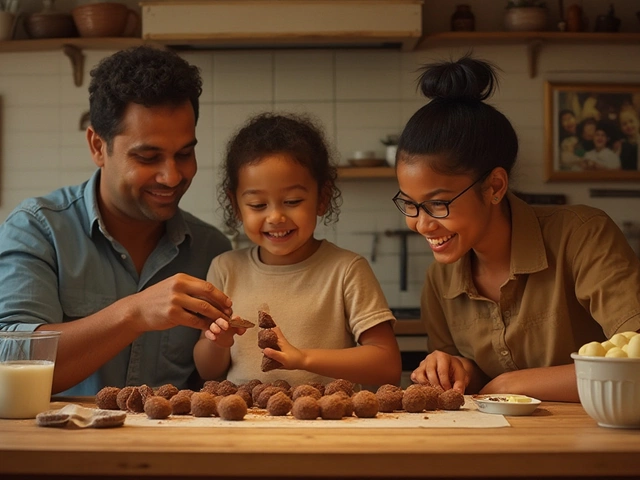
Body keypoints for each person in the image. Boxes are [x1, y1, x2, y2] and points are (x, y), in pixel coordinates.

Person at [392, 55, 640, 402]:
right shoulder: (441, 280)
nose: (421, 223)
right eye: (410, 204)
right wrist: (458, 369)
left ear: (494, 186)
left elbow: (634, 364)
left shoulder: (583, 235)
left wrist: (510, 384)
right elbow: (476, 380)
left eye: (438, 203)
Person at [0, 46, 233, 396]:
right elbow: (8, 364)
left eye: (184, 154)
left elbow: (212, 381)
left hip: (176, 447)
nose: (171, 177)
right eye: (147, 157)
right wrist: (132, 314)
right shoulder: (38, 230)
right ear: (97, 146)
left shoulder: (213, 249)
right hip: (62, 448)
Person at [193, 112, 401, 387]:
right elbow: (207, 371)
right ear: (236, 206)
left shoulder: (346, 270)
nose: (276, 217)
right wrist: (218, 343)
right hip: (246, 425)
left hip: (328, 423)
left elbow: (387, 365)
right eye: (258, 205)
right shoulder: (225, 269)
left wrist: (303, 359)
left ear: (322, 198)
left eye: (292, 201)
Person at [616, 105, 640, 170]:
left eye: (631, 121)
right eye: (624, 124)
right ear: (621, 128)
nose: (628, 125)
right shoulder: (621, 145)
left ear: (638, 122)